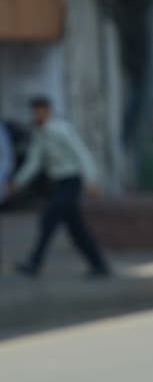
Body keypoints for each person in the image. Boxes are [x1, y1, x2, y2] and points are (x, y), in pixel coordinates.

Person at [4, 96, 110, 278]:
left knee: (49, 219)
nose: (38, 114)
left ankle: (34, 263)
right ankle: (99, 265)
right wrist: (18, 181)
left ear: (48, 111)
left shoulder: (60, 129)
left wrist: (91, 179)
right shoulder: (40, 133)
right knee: (76, 229)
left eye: (41, 110)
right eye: (35, 111)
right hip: (59, 183)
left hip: (71, 180)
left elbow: (81, 152)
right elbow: (34, 161)